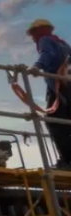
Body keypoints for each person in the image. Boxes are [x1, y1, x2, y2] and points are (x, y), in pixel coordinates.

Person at [26, 19, 71, 170]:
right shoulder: (63, 43)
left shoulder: (44, 40)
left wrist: (37, 67)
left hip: (58, 87)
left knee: (54, 122)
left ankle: (67, 161)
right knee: (67, 122)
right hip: (67, 85)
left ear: (37, 31)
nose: (33, 38)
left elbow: (47, 54)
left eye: (33, 34)